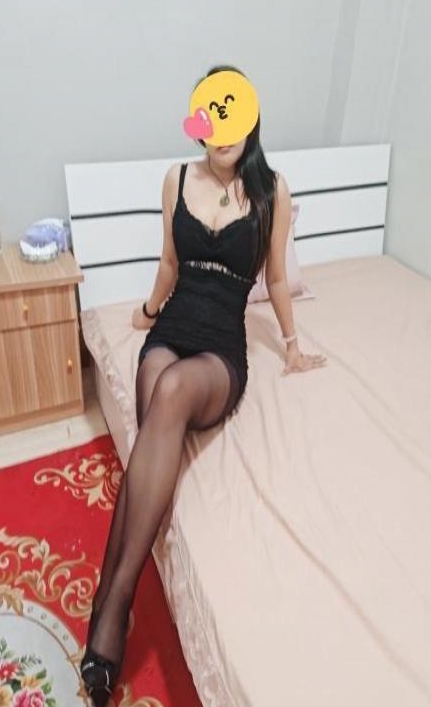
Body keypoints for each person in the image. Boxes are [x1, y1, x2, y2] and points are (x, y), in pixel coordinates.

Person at [80, 65, 327, 706]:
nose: (222, 131)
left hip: (220, 351)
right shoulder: (176, 179)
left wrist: (292, 346)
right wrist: (145, 313)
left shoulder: (272, 191)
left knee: (170, 394)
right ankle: (114, 605)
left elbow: (276, 279)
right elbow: (169, 261)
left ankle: (113, 603)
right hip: (173, 328)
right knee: (155, 400)